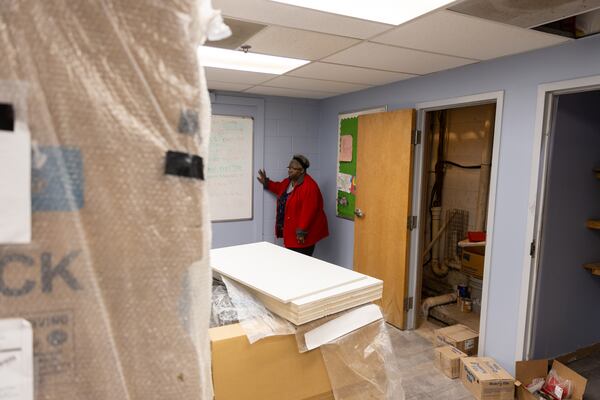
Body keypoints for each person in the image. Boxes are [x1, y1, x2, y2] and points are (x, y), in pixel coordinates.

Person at [257, 154, 328, 256]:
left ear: (302, 170)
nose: (289, 170)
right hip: (291, 232)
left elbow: (309, 212)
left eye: (293, 168)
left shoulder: (310, 186)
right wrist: (267, 183)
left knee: (301, 265)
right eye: (289, 167)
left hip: (303, 235)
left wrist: (301, 232)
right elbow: (279, 188)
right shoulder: (289, 181)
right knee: (292, 262)